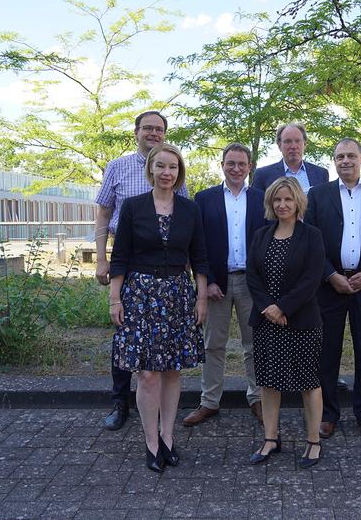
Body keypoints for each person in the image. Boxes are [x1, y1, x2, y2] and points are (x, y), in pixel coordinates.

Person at [108, 143, 208, 473]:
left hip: (178, 295)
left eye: (173, 168)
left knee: (172, 370)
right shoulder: (134, 207)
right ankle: (150, 442)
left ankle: (168, 437)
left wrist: (202, 296)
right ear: (150, 169)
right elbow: (119, 256)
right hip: (140, 296)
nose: (167, 173)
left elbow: (200, 257)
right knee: (147, 373)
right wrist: (115, 297)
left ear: (180, 173)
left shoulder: (190, 209)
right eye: (161, 166)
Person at [94, 111, 189, 432]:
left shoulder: (174, 170)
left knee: (162, 341)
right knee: (127, 336)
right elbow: (104, 211)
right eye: (147, 128)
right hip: (128, 260)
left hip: (164, 268)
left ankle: (158, 407)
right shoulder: (118, 167)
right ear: (136, 132)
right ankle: (120, 402)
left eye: (159, 129)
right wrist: (101, 259)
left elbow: (184, 223)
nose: (153, 133)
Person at [304, 138, 361, 439]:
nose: (345, 161)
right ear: (334, 161)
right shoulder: (318, 195)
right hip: (330, 287)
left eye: (351, 156)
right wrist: (331, 275)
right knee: (327, 353)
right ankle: (328, 414)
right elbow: (311, 242)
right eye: (339, 156)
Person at [184, 143, 265, 427]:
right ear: (222, 164)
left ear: (249, 167)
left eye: (242, 164)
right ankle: (209, 402)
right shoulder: (204, 199)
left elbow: (266, 242)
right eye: (231, 163)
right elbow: (198, 245)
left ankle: (257, 399)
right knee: (213, 345)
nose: (236, 168)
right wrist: (206, 281)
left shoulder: (260, 198)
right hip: (216, 284)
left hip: (251, 283)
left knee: (254, 344)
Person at [246, 177, 325, 468]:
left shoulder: (312, 236)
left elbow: (311, 279)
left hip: (301, 320)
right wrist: (268, 307)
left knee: (308, 381)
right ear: (270, 202)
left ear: (298, 202)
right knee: (268, 381)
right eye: (277, 199)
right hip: (267, 321)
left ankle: (313, 441)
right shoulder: (261, 235)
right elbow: (252, 275)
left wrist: (282, 307)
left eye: (288, 199)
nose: (282, 205)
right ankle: (270, 438)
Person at [251, 123, 329, 194]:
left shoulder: (321, 174)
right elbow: (256, 206)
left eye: (298, 141)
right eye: (288, 141)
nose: (294, 146)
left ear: (305, 144)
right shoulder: (263, 175)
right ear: (279, 145)